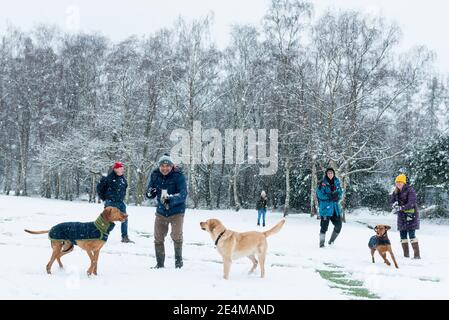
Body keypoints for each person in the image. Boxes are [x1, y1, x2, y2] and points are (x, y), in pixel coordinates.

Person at [145, 154, 188, 269]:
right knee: (158, 237)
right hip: (161, 211)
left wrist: (171, 199)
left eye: (167, 166)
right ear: (159, 166)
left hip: (176, 211)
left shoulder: (178, 176)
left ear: (172, 166)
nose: (164, 168)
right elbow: (150, 192)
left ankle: (178, 263)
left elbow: (183, 194)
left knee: (176, 236)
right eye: (162, 166)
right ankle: (160, 264)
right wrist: (150, 193)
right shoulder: (155, 175)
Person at [96, 161, 133, 243]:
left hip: (120, 202)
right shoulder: (108, 178)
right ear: (115, 169)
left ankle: (125, 237)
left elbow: (124, 188)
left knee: (124, 218)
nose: (122, 170)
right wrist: (104, 199)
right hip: (110, 202)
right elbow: (99, 188)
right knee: (106, 219)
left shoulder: (123, 179)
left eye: (122, 168)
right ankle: (101, 235)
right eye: (120, 168)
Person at [391, 174, 420, 259]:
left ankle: (417, 255)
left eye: (400, 182)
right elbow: (392, 200)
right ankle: (406, 255)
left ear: (404, 182)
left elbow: (412, 203)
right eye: (397, 182)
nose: (398, 184)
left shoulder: (410, 190)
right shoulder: (396, 191)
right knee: (402, 235)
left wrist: (401, 207)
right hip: (401, 216)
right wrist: (394, 204)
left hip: (411, 215)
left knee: (411, 235)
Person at [316, 168, 343, 248]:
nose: (330, 174)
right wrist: (329, 196)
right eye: (328, 173)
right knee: (324, 227)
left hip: (335, 209)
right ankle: (321, 244)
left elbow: (340, 193)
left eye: (331, 173)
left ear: (333, 174)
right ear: (326, 174)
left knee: (338, 226)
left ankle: (331, 242)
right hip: (325, 209)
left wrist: (338, 196)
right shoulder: (322, 183)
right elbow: (319, 195)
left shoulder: (337, 182)